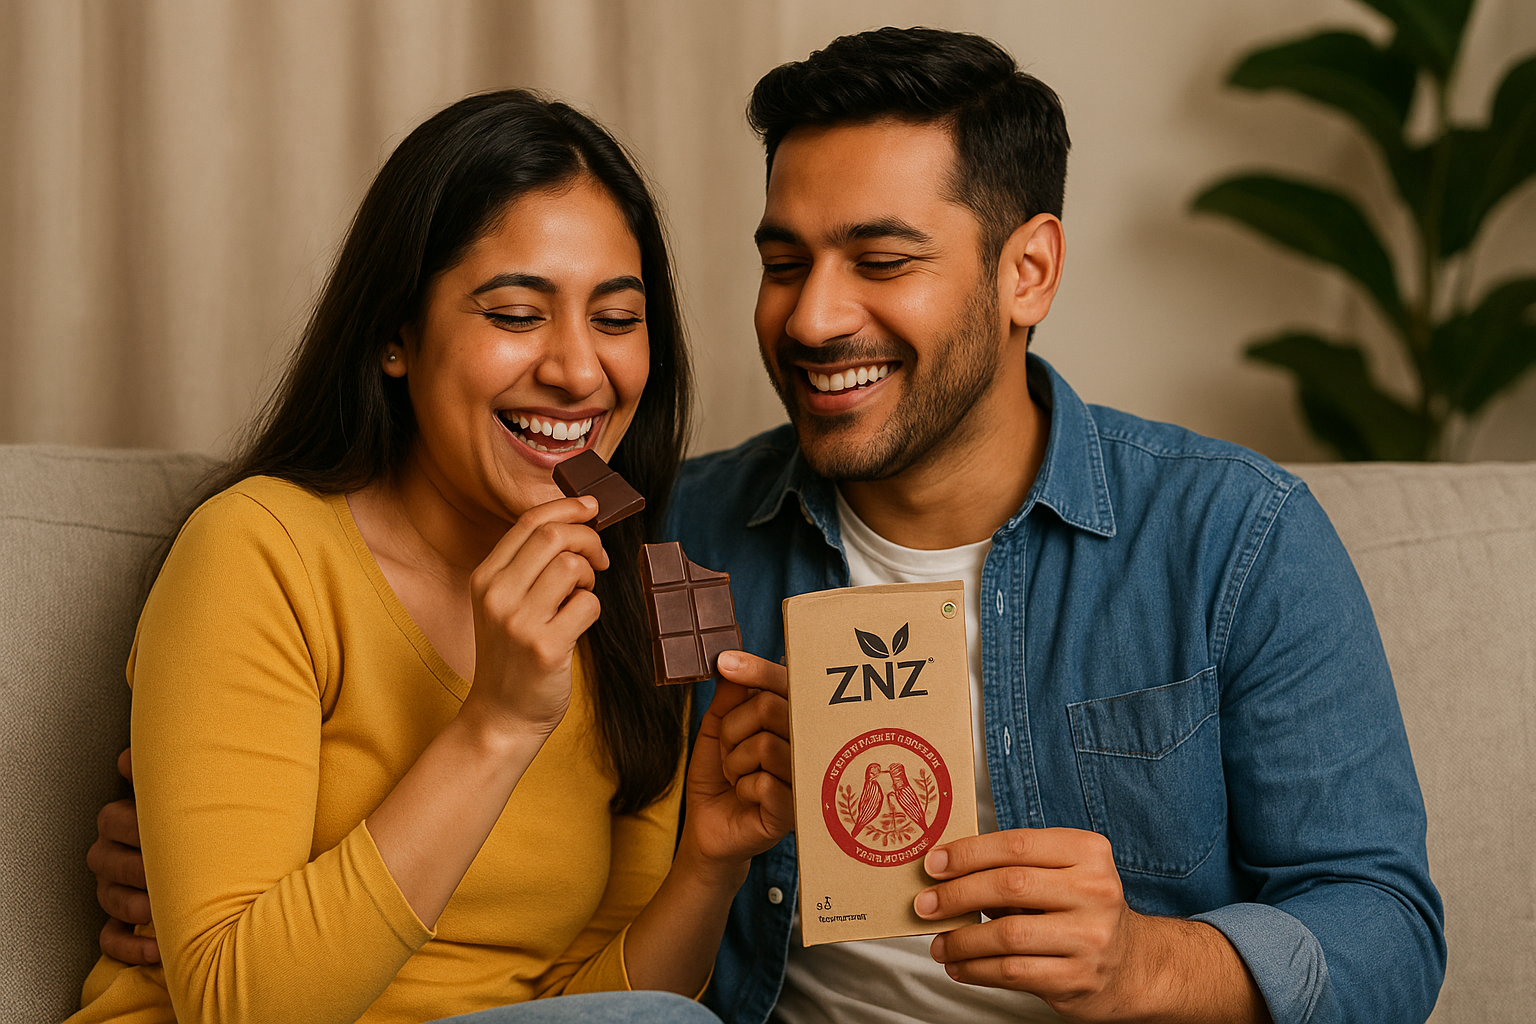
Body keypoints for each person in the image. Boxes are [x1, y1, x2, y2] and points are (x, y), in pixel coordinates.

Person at [92, 27, 1447, 1024]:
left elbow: (1387, 928)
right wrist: (174, 834)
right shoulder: (670, 545)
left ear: (1027, 270)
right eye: (784, 260)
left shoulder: (1233, 541)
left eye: (882, 260)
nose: (810, 318)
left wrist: (1155, 964)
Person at [73, 88, 792, 1024]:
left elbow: (589, 1007)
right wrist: (495, 724)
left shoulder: (633, 605)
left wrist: (707, 865)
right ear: (394, 336)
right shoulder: (261, 553)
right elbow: (235, 1007)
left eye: (617, 319)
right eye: (517, 314)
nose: (580, 371)